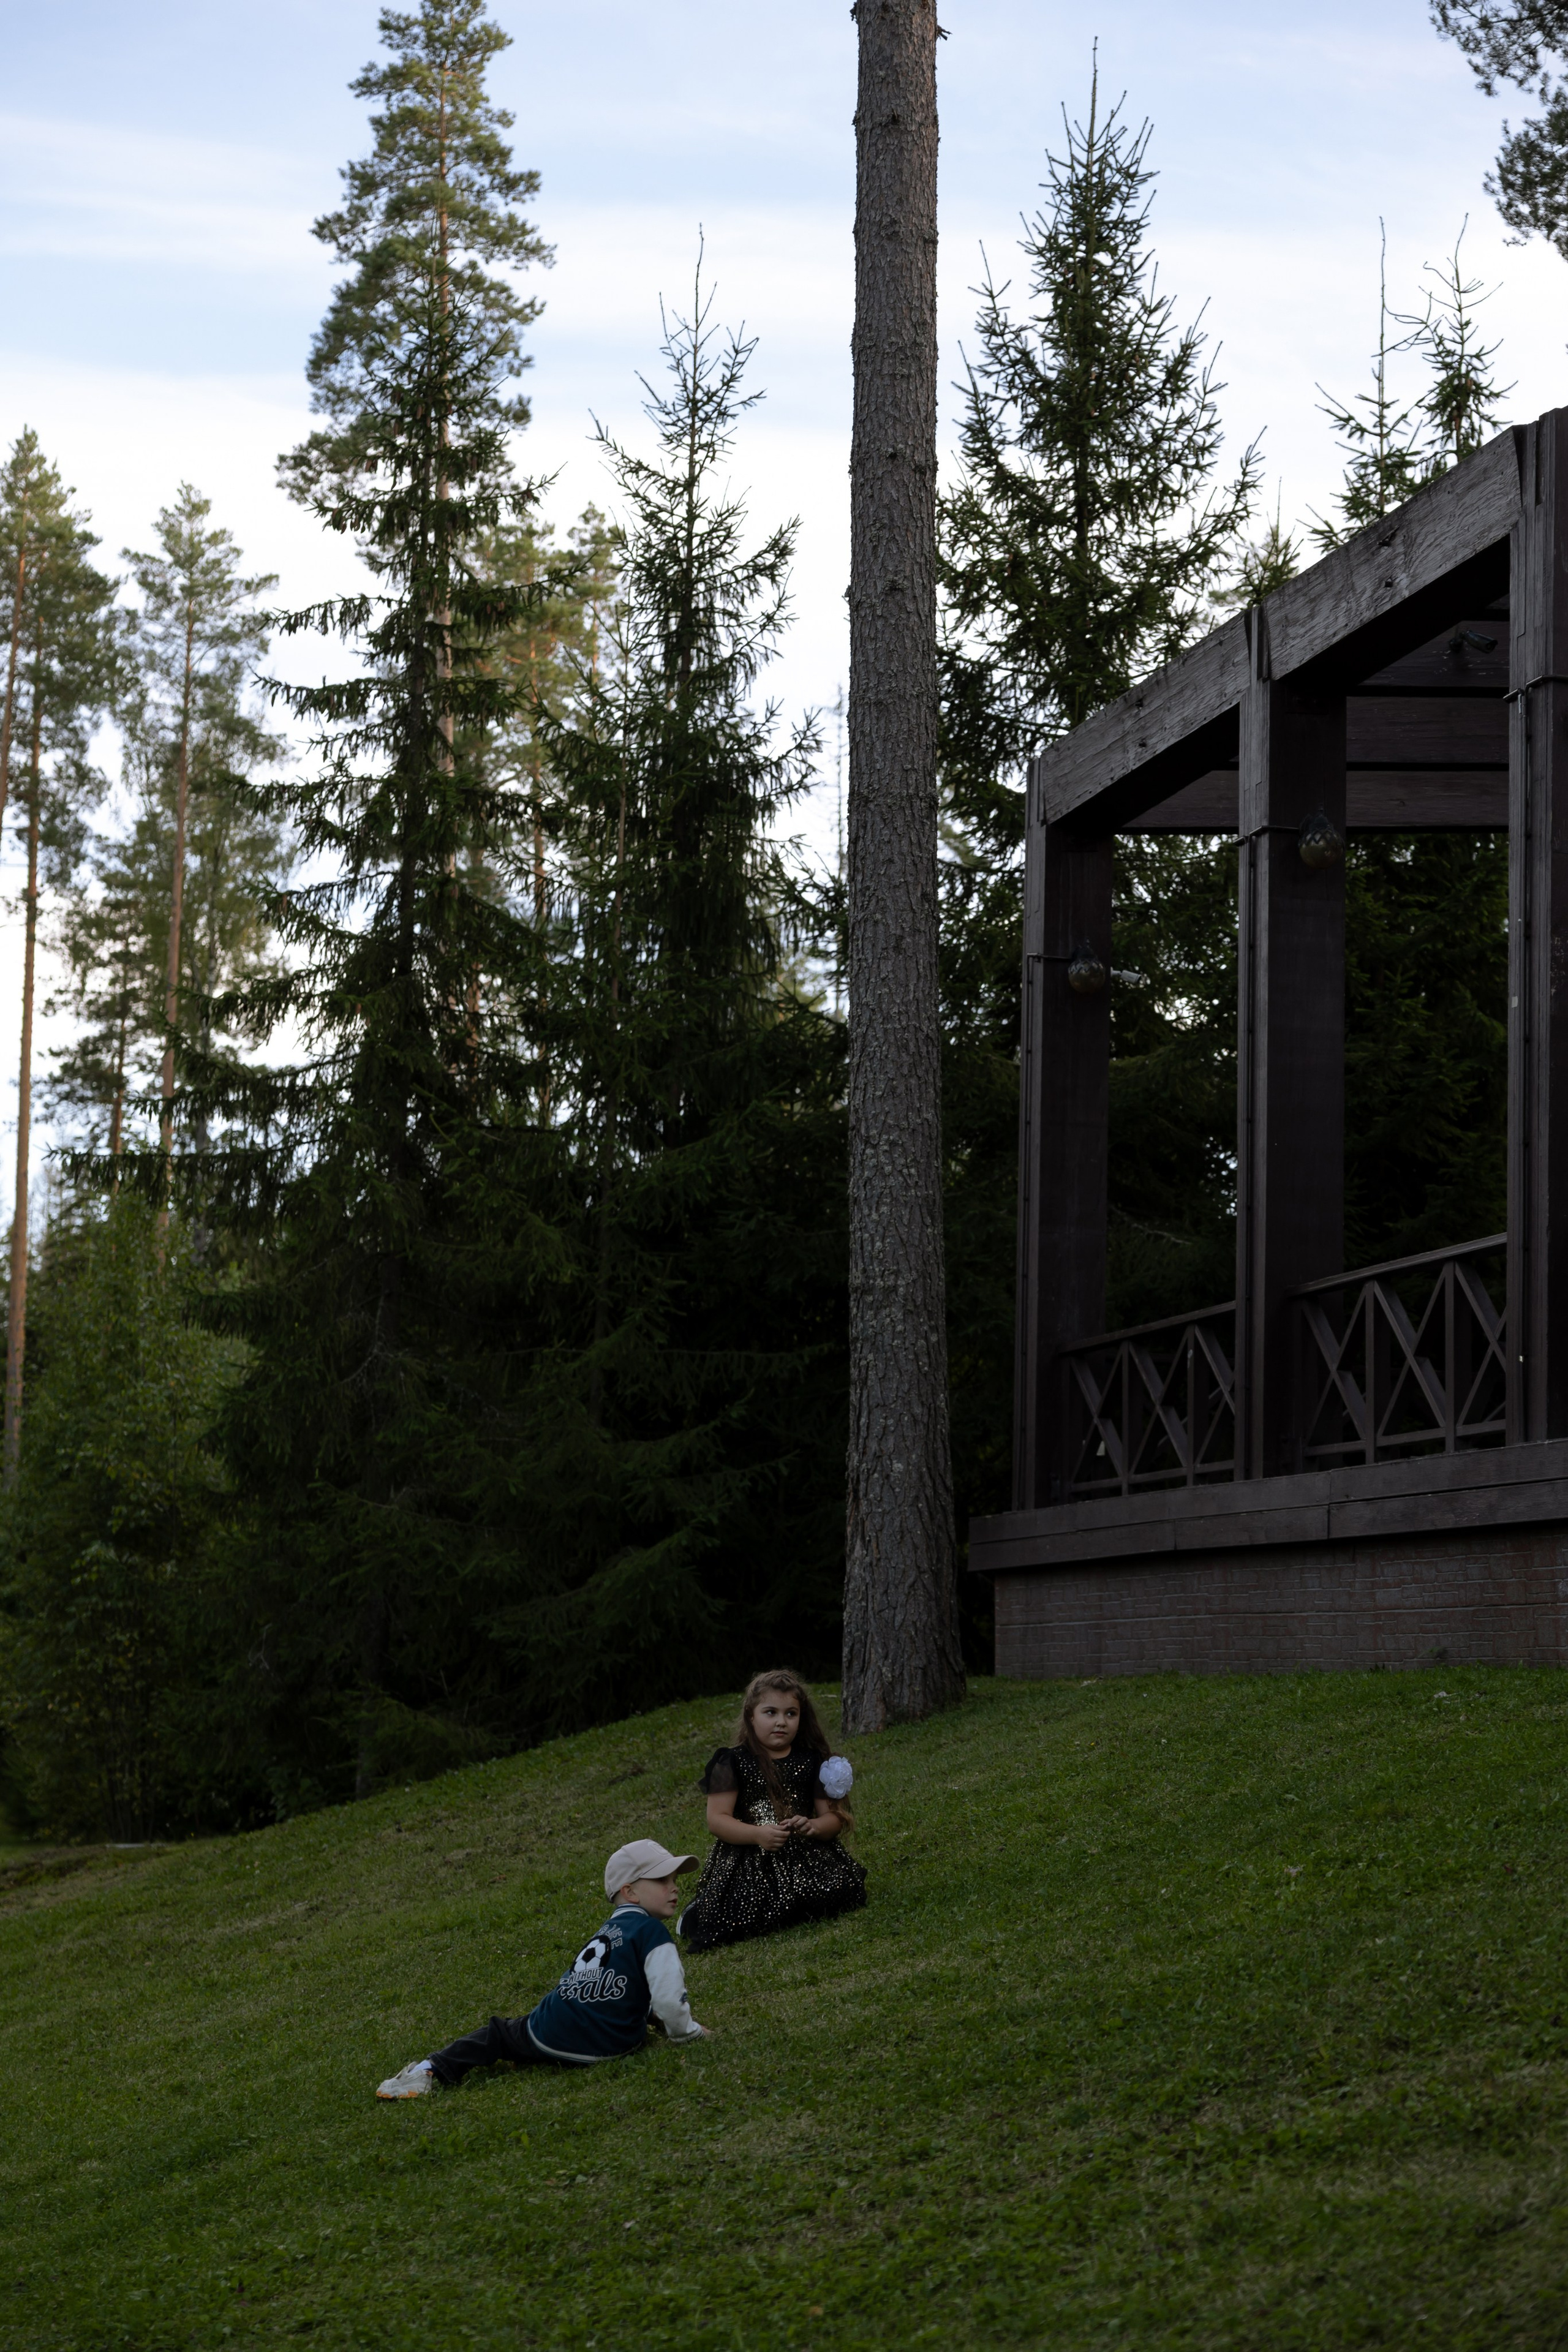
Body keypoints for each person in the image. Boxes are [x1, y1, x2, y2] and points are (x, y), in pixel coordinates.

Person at [375, 1839, 710, 2097]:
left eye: (675, 1878)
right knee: (513, 2036)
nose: (675, 1886)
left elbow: (644, 1994)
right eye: (663, 1879)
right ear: (630, 1892)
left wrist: (666, 2024)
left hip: (553, 2028)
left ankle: (430, 2069)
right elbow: (665, 1998)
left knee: (499, 2034)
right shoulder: (651, 1932)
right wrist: (687, 2032)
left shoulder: (609, 1933)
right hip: (612, 2043)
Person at [678, 1669, 867, 1952]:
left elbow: (833, 1819)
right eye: (770, 1713)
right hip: (750, 1856)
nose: (781, 1722)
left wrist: (814, 1827)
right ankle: (697, 1910)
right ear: (751, 1716)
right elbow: (717, 1820)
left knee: (840, 1893)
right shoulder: (732, 1762)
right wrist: (757, 1835)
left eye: (791, 1714)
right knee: (741, 1915)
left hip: (806, 1855)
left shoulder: (812, 1760)